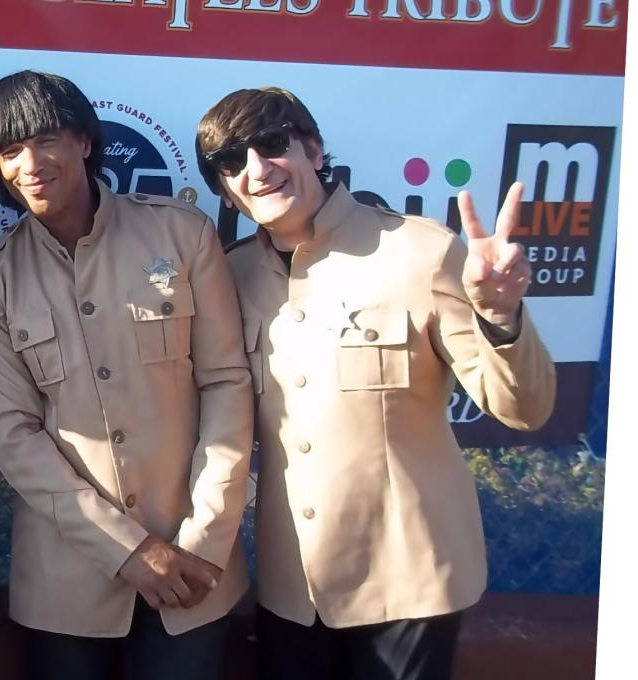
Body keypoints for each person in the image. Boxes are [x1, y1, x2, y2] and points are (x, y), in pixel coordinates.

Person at [194, 87, 556, 680]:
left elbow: (524, 408)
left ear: (312, 148)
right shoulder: (228, 275)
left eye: (271, 143)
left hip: (407, 583)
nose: (255, 170)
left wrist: (501, 317)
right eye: (231, 163)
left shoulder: (420, 251)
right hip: (295, 589)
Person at [0, 72, 254, 679]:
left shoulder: (182, 234)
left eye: (45, 140)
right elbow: (12, 431)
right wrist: (127, 549)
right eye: (9, 152)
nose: (30, 164)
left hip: (198, 567)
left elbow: (226, 383)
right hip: (66, 585)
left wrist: (204, 539)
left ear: (84, 142)